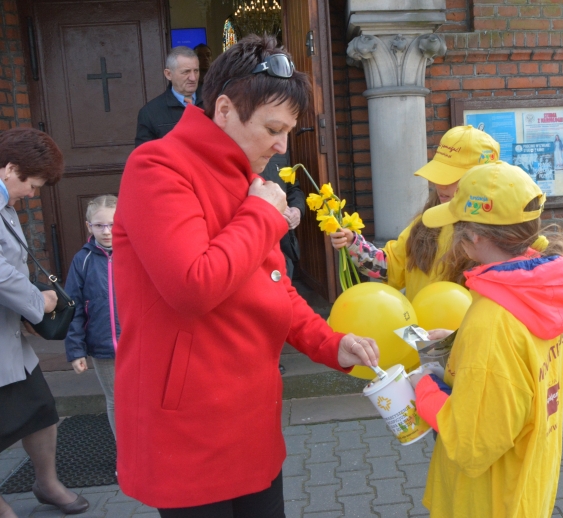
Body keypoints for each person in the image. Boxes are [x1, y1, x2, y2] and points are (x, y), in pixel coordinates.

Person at [114, 34, 380, 516]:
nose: (281, 146)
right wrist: (261, 215)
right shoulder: (157, 167)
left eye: (289, 132)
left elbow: (273, 286)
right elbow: (193, 286)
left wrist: (330, 343)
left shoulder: (249, 179)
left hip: (251, 415)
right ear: (223, 110)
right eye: (273, 128)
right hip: (189, 426)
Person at [408, 162, 563, 517]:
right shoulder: (542, 290)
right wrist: (461, 343)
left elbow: (471, 445)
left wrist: (424, 388)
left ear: (475, 237)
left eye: (457, 225)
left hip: (487, 501)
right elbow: (519, 366)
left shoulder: (492, 319)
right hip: (525, 486)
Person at [0, 127, 90, 517]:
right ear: (10, 168)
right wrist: (39, 302)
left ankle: (46, 483)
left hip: (8, 340)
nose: (32, 194)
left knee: (41, 411)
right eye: (32, 185)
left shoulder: (5, 203)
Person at [330, 125, 501, 301]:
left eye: (452, 177)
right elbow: (390, 267)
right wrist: (353, 243)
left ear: (480, 181)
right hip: (420, 318)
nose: (440, 184)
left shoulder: (499, 233)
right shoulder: (426, 222)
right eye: (439, 174)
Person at [63, 195, 120, 439]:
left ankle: (147, 451)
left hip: (139, 344)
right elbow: (73, 307)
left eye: (113, 224)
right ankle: (124, 453)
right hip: (102, 345)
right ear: (89, 226)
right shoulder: (82, 260)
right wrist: (76, 350)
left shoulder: (137, 254)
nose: (106, 231)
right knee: (116, 400)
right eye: (99, 225)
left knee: (144, 398)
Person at [135, 46, 203, 147]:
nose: (193, 78)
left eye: (196, 71)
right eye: (186, 72)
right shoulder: (150, 112)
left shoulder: (214, 102)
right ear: (168, 74)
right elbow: (145, 153)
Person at [261, 154, 304, 280]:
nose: (281, 147)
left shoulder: (280, 153)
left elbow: (293, 189)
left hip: (283, 242)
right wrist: (271, 208)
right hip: (257, 241)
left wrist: (297, 209)